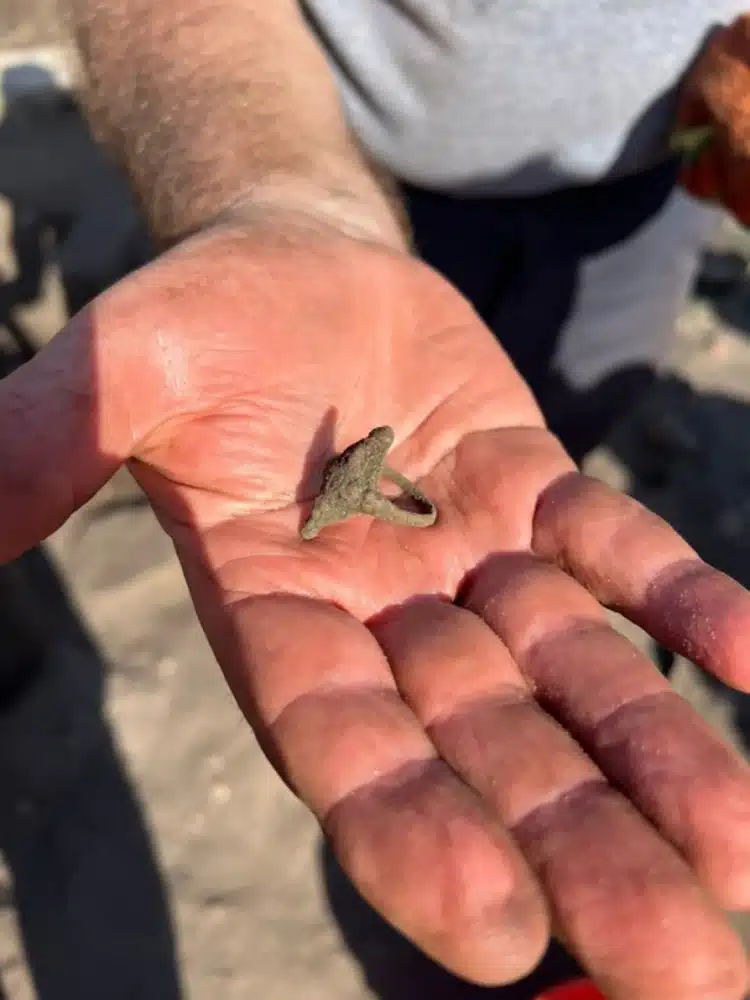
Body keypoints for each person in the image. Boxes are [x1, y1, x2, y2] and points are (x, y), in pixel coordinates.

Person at [3, 1, 750, 997]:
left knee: (553, 438)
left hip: (650, 186)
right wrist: (278, 197)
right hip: (331, 154)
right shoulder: (355, 445)